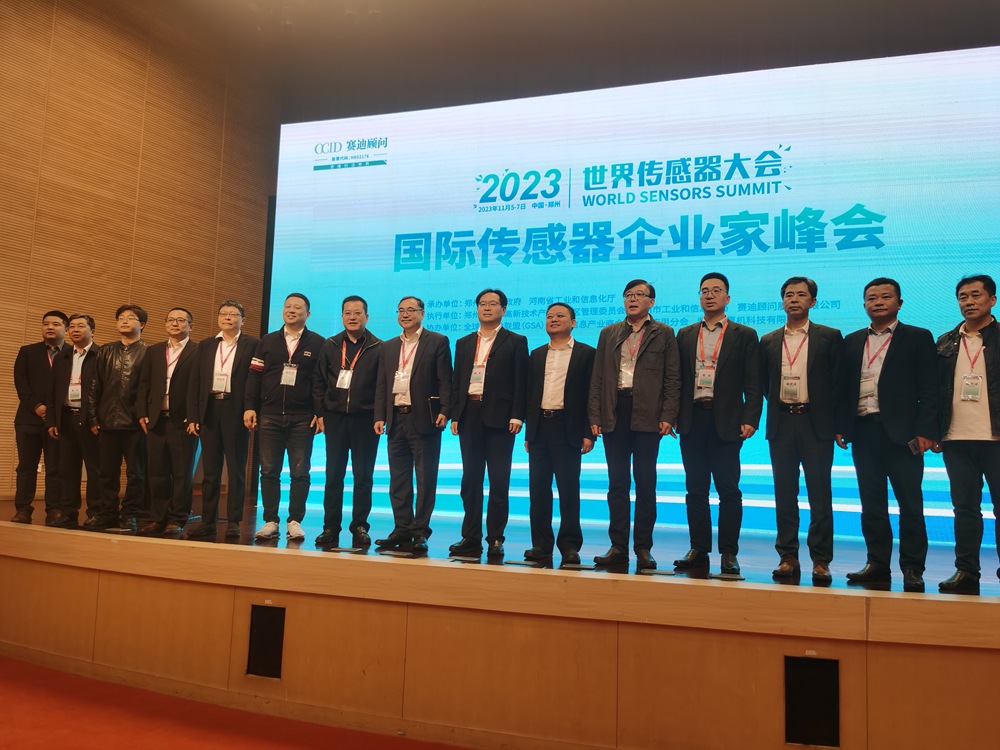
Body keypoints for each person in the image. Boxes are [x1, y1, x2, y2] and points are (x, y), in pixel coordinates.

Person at [837, 278, 939, 593]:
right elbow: (843, 388)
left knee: (911, 505)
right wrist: (842, 426)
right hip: (863, 430)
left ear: (899, 303)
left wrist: (926, 431)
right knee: (872, 504)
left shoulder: (918, 337)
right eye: (872, 298)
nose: (878, 302)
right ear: (864, 304)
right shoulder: (852, 340)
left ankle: (912, 568)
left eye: (885, 296)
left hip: (904, 435)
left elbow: (930, 389)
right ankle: (877, 564)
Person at [673, 272, 762, 576]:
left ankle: (728, 552)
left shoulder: (744, 334)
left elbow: (753, 382)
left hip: (727, 421)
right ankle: (698, 548)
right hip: (692, 419)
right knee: (695, 489)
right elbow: (676, 380)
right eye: (704, 291)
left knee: (728, 489)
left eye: (716, 290)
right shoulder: (685, 334)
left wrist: (751, 418)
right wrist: (672, 415)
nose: (709, 295)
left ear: (727, 297)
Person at [588, 279, 681, 571]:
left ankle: (643, 548)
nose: (632, 299)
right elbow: (598, 377)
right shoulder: (608, 333)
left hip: (648, 413)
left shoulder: (664, 333)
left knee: (645, 482)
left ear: (651, 302)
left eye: (639, 295)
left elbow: (673, 378)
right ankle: (618, 546)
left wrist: (668, 415)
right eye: (628, 295)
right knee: (617, 483)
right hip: (614, 411)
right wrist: (594, 415)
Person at [759, 277, 843, 582]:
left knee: (820, 494)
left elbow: (838, 383)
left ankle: (821, 559)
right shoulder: (768, 340)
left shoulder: (829, 336)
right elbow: (764, 384)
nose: (794, 299)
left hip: (815, 424)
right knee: (784, 493)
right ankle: (787, 556)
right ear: (782, 301)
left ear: (812, 302)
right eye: (789, 295)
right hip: (782, 422)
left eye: (801, 295)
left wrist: (838, 425)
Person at [448, 289, 529, 558]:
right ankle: (470, 537)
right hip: (469, 414)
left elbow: (521, 381)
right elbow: (458, 381)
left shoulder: (516, 341)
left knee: (498, 481)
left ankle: (495, 537)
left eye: (493, 304)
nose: (487, 308)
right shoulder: (463, 342)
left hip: (501, 418)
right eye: (482, 303)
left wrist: (517, 415)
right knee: (470, 480)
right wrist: (456, 414)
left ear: (503, 310)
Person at [935, 274, 1000, 595]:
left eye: (976, 295)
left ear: (992, 300)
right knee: (964, 509)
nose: (969, 302)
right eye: (963, 297)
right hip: (956, 438)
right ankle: (966, 571)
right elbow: (934, 391)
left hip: (996, 439)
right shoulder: (945, 341)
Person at [373, 296, 452, 553]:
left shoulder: (437, 341)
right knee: (398, 479)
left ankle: (420, 531)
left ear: (422, 313)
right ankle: (402, 527)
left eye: (411, 310)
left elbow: (445, 380)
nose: (405, 314)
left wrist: (445, 410)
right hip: (396, 419)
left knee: (425, 478)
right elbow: (382, 384)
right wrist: (379, 416)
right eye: (401, 310)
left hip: (425, 419)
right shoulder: (388, 346)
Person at [244, 293, 324, 542]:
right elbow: (254, 376)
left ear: (307, 314)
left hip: (302, 417)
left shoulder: (318, 343)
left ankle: (295, 521)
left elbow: (321, 382)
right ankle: (270, 520)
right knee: (269, 471)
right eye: (288, 306)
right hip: (269, 415)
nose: (291, 310)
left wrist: (319, 412)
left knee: (300, 472)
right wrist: (250, 407)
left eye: (297, 307)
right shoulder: (267, 341)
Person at [523, 303, 595, 566]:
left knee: (568, 489)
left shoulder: (587, 354)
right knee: (538, 490)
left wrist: (588, 432)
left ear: (573, 322)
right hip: (540, 427)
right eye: (549, 316)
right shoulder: (536, 354)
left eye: (560, 316)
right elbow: (530, 393)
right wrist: (529, 432)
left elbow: (591, 394)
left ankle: (570, 546)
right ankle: (541, 544)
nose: (553, 320)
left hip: (568, 428)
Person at [312, 295, 383, 548]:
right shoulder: (330, 344)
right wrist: (320, 413)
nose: (352, 317)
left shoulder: (378, 347)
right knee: (334, 475)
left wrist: (379, 416)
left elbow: (382, 386)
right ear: (342, 316)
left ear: (367, 317)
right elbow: (319, 381)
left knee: (363, 476)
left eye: (357, 313)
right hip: (335, 418)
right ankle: (330, 526)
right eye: (347, 313)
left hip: (366, 420)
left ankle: (360, 525)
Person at [186, 300, 258, 539]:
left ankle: (234, 521)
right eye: (223, 314)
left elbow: (254, 381)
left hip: (236, 410)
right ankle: (208, 521)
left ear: (243, 320)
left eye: (233, 314)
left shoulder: (252, 344)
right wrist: (193, 415)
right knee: (210, 471)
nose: (227, 317)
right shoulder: (206, 345)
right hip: (209, 408)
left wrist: (251, 408)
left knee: (236, 469)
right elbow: (195, 381)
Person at [84, 304, 149, 532]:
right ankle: (106, 514)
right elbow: (95, 385)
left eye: (130, 318)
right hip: (107, 422)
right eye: (120, 318)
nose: (124, 321)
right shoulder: (105, 351)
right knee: (106, 473)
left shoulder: (149, 352)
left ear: (142, 324)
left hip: (136, 424)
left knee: (136, 474)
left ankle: (130, 514)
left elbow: (149, 390)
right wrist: (93, 417)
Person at [136, 308, 199, 535]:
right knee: (157, 472)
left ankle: (178, 518)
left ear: (190, 326)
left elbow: (200, 386)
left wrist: (194, 415)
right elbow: (143, 383)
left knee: (181, 472)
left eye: (181, 320)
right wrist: (142, 412)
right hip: (156, 419)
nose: (175, 324)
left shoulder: (198, 351)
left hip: (182, 421)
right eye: (171, 320)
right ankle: (157, 517)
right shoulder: (154, 350)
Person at [12, 310, 67, 523]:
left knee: (56, 467)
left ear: (65, 328)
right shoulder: (27, 351)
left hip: (60, 420)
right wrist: (37, 406)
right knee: (26, 467)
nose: (50, 327)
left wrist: (53, 411)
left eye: (55, 324)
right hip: (29, 419)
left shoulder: (72, 353)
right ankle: (23, 509)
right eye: (46, 324)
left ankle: (54, 509)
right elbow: (21, 382)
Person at [46, 314, 100, 528]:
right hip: (66, 418)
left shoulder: (100, 354)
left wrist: (97, 419)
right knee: (67, 469)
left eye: (81, 326)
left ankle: (95, 513)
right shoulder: (63, 356)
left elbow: (105, 391)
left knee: (95, 470)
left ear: (92, 331)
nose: (75, 330)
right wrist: (52, 420)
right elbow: (52, 391)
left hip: (90, 420)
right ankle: (68, 512)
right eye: (72, 327)